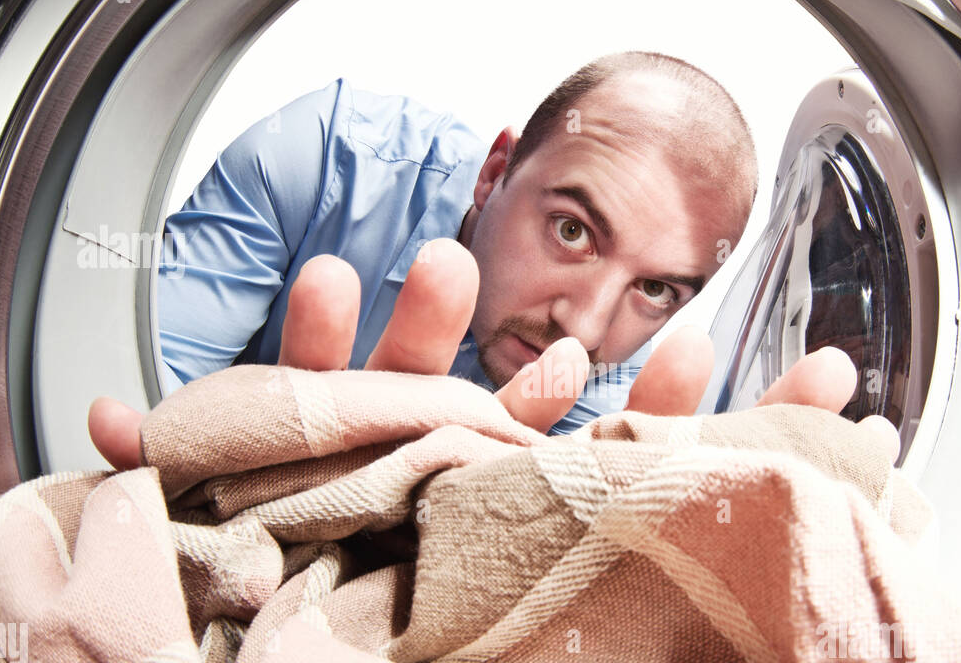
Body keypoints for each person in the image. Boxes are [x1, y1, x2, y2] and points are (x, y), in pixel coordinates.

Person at [88, 51, 900, 467]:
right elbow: (127, 413)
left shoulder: (623, 378)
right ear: (495, 170)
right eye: (573, 232)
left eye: (654, 288)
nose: (581, 326)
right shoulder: (316, 159)